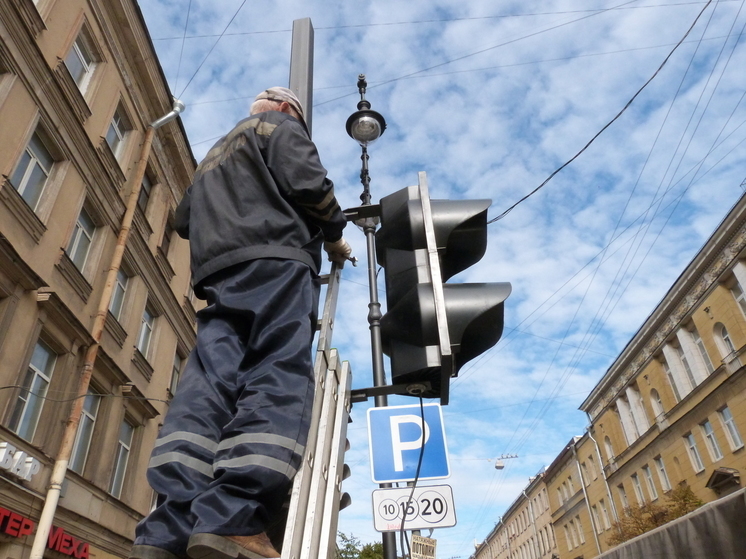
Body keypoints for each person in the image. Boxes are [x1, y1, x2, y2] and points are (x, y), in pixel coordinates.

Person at [129, 87, 351, 559]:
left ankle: (168, 529)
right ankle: (234, 517)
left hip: (217, 275)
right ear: (289, 109)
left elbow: (184, 219)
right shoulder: (280, 128)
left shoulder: (213, 155)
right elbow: (311, 186)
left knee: (206, 389)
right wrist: (334, 231)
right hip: (275, 263)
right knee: (276, 372)